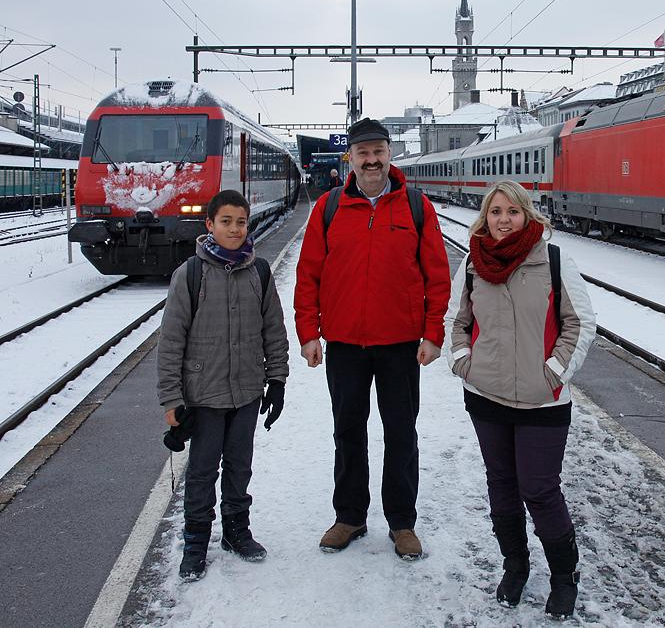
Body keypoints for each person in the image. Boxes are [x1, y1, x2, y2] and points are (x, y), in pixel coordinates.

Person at [294, 117, 452, 560]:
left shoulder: (416, 207)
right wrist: (309, 333)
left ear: (389, 154)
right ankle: (350, 516)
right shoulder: (328, 208)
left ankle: (402, 523)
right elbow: (308, 277)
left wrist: (433, 333)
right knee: (348, 432)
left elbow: (438, 278)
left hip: (401, 342)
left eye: (378, 151)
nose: (372, 160)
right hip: (344, 342)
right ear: (352, 158)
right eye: (363, 152)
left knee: (401, 433)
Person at [444, 180, 596, 619]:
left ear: (527, 214)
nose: (503, 220)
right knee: (502, 486)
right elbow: (457, 318)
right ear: (485, 217)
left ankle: (564, 577)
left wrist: (554, 373)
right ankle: (515, 566)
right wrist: (463, 363)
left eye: (512, 211)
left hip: (542, 401)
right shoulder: (474, 261)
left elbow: (580, 322)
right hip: (486, 394)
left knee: (541, 490)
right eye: (495, 212)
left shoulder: (552, 258)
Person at [157, 189, 289, 581]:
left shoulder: (259, 272)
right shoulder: (190, 274)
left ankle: (236, 531)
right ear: (210, 225)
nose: (235, 229)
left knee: (239, 466)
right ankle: (196, 541)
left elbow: (274, 332)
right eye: (226, 221)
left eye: (241, 222)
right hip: (204, 394)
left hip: (247, 391)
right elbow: (170, 342)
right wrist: (171, 399)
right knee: (201, 471)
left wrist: (277, 380)